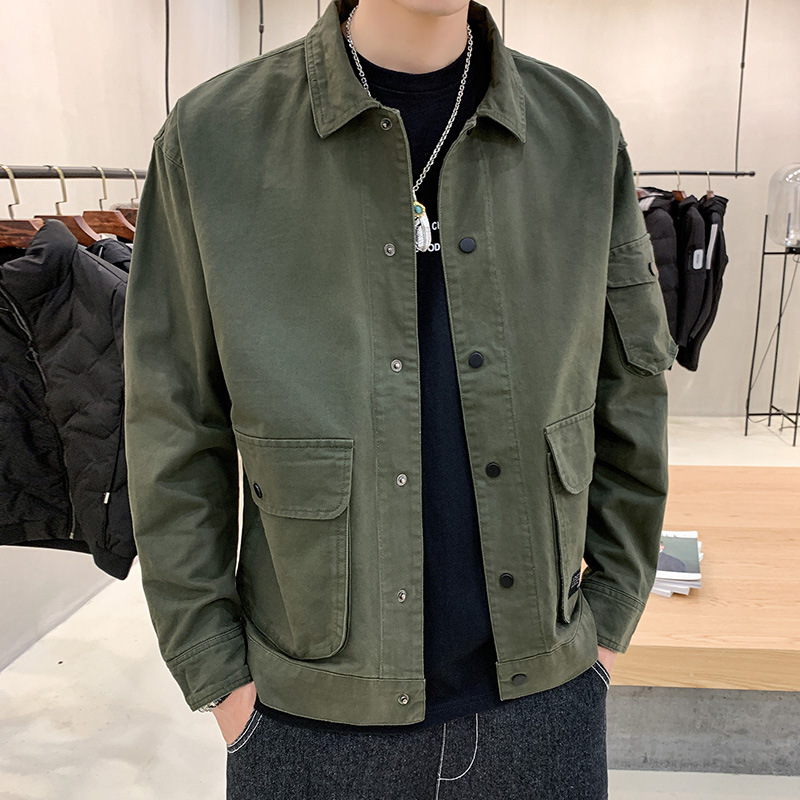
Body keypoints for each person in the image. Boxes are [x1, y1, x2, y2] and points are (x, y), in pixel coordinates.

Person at [123, 0, 677, 797]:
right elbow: (172, 421)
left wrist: (611, 615)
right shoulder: (213, 137)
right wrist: (217, 673)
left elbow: (631, 387)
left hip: (546, 703)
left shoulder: (580, 131)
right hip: (306, 717)